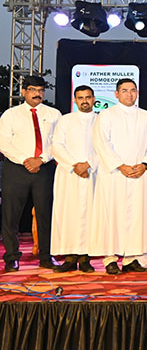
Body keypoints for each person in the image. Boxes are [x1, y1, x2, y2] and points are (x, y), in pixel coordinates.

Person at [89, 78, 147, 275]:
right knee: (112, 215)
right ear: (116, 94)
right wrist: (121, 166)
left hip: (139, 174)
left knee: (136, 216)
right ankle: (110, 258)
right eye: (125, 90)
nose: (129, 94)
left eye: (133, 90)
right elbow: (101, 143)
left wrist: (145, 165)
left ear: (137, 93)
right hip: (114, 176)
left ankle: (131, 258)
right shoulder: (106, 115)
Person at [0, 75, 61, 272]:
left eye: (41, 90)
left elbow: (58, 143)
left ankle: (46, 256)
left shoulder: (54, 114)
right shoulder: (10, 115)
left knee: (46, 214)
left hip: (45, 168)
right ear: (24, 92)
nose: (37, 94)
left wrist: (41, 159)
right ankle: (11, 257)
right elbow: (4, 143)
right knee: (11, 215)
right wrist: (25, 160)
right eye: (33, 90)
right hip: (16, 169)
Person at [50, 85, 99, 273]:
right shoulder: (65, 120)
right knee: (68, 214)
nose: (84, 101)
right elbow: (57, 146)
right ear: (75, 100)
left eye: (88, 97)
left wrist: (88, 164)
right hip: (69, 175)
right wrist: (75, 165)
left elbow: (105, 148)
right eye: (80, 98)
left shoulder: (101, 121)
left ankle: (85, 258)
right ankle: (69, 258)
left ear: (93, 99)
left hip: (93, 174)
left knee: (90, 215)